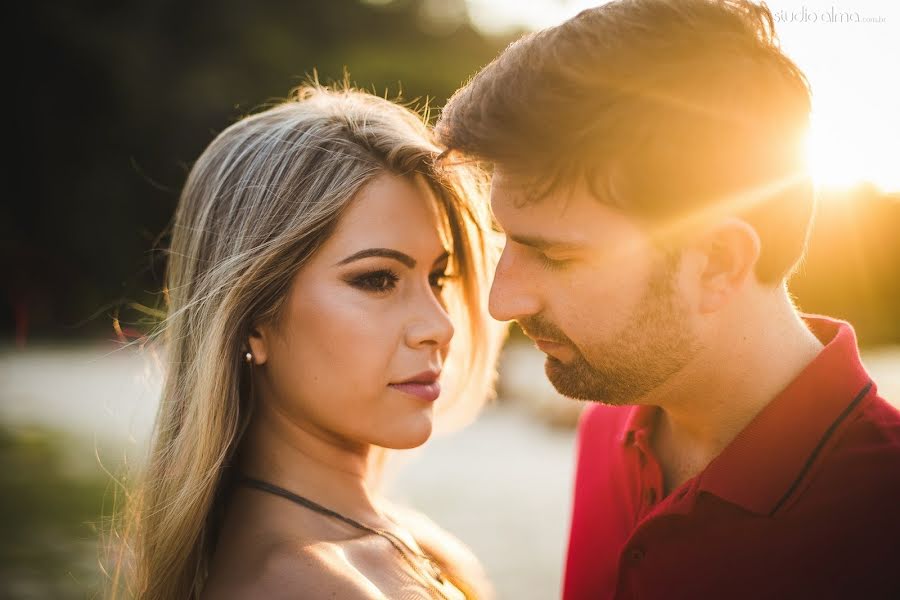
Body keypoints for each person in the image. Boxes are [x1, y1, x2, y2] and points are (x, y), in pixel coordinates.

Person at [435, 0, 900, 598]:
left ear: (716, 264)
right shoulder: (609, 426)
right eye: (508, 241)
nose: (503, 302)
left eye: (555, 255)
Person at [111, 83, 505, 599]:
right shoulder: (300, 585)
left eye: (437, 278)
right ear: (252, 317)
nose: (440, 326)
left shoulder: (417, 546)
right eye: (378, 279)